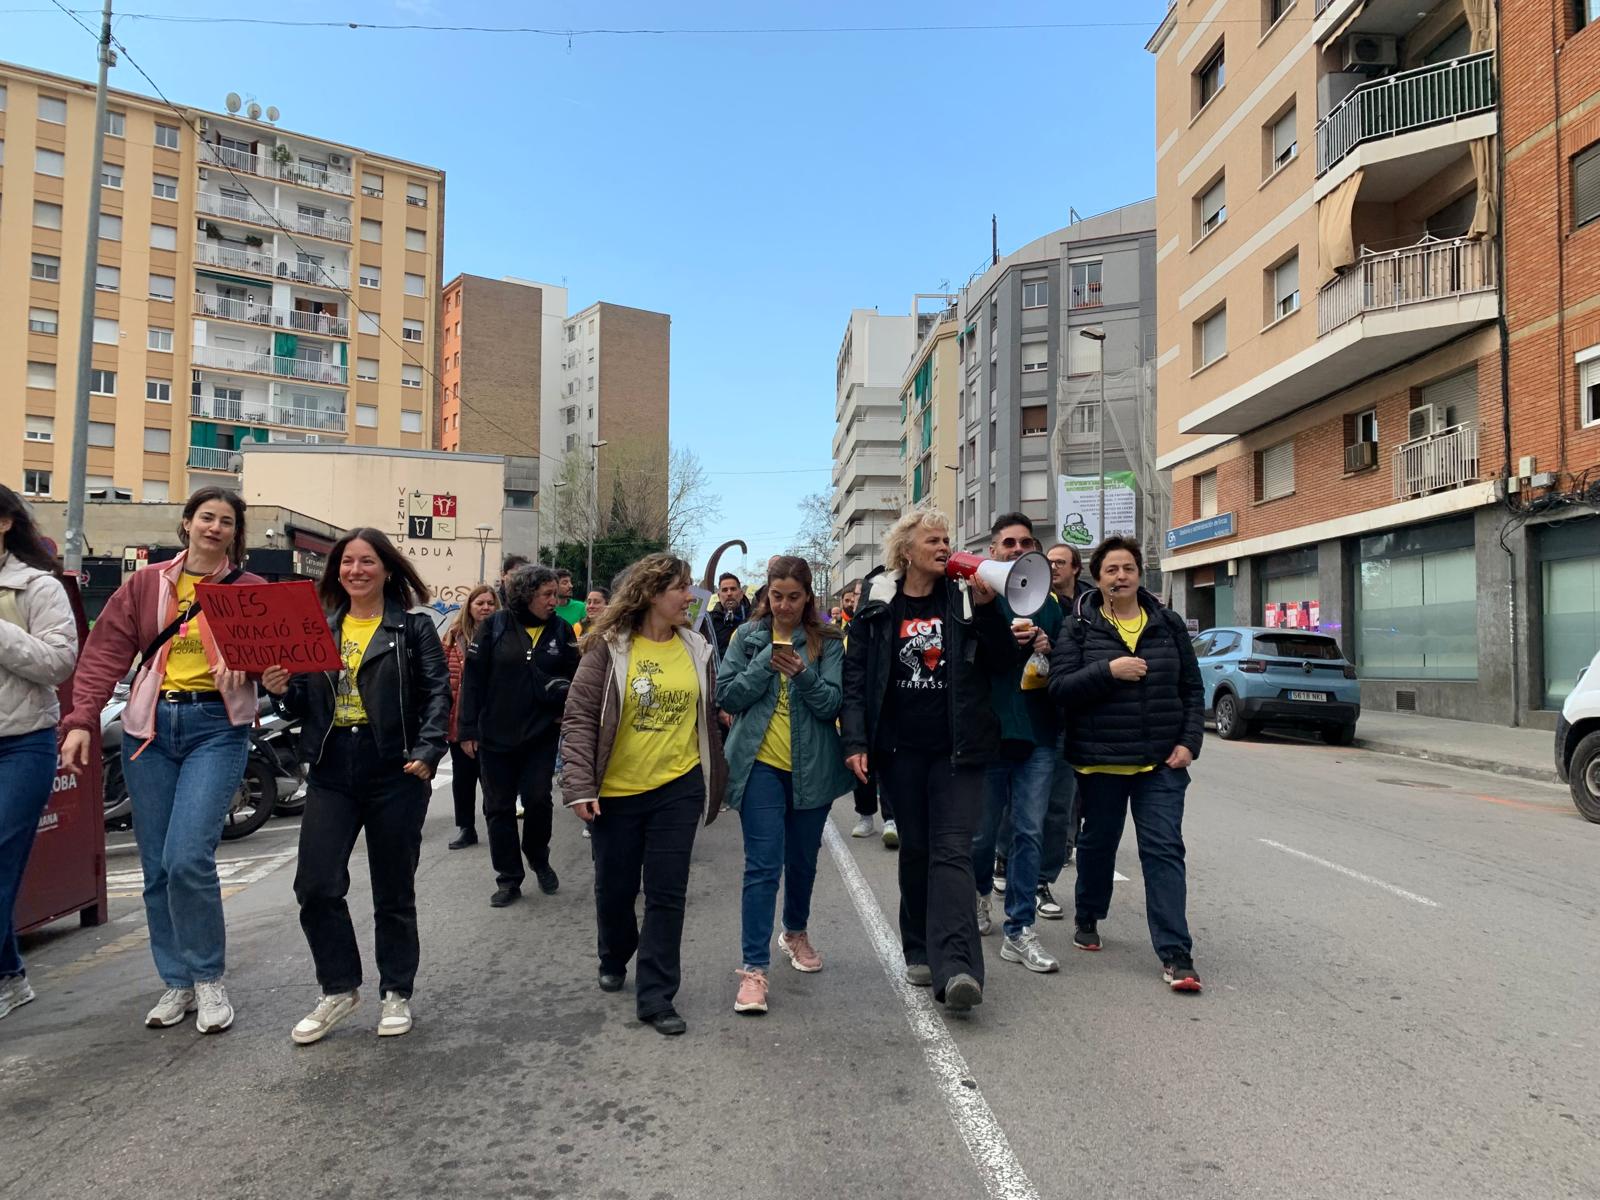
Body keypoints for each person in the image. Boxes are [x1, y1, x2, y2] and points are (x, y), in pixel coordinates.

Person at [61, 487, 262, 1034]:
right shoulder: (147, 583)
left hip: (217, 729)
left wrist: (253, 668)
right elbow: (105, 653)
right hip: (149, 729)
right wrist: (81, 719)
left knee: (186, 857)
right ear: (187, 523)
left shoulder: (251, 589)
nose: (214, 527)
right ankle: (176, 983)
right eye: (206, 518)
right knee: (155, 867)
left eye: (225, 521)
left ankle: (208, 978)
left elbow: (279, 658)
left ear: (234, 532)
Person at [263, 528, 451, 1043]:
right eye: (347, 562)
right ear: (335, 571)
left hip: (396, 769)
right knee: (316, 885)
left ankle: (396, 990)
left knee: (393, 889)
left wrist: (428, 750)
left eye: (368, 561)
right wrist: (278, 690)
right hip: (331, 767)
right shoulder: (316, 628)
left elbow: (437, 693)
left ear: (387, 570)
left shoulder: (413, 630)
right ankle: (339, 988)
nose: (356, 571)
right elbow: (300, 704)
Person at [840, 510, 1013, 1014]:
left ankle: (958, 966)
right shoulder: (878, 601)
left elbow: (1004, 664)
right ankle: (917, 944)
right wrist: (855, 741)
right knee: (916, 849)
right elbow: (857, 676)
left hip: (958, 750)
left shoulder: (964, 596)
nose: (943, 546)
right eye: (932, 540)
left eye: (947, 539)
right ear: (906, 551)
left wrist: (986, 611)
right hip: (899, 751)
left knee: (952, 852)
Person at [561, 553, 727, 1037]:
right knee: (615, 890)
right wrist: (578, 786)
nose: (689, 596)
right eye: (681, 587)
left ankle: (656, 996)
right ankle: (614, 951)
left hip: (678, 787)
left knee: (667, 893)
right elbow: (579, 719)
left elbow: (707, 713)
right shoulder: (607, 648)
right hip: (616, 791)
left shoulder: (697, 647)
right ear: (652, 593)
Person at [1048, 536, 1204, 994]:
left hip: (1161, 762)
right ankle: (1089, 913)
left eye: (1128, 569)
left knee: (1163, 850)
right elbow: (1059, 688)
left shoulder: (1168, 624)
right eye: (1111, 570)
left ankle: (1177, 955)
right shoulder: (1079, 626)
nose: (1121, 576)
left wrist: (1189, 742)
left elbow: (1192, 689)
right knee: (1097, 844)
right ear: (1097, 578)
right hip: (1100, 763)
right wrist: (1108, 671)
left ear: (1139, 575)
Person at [717, 556, 852, 1016]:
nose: (785, 605)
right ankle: (754, 969)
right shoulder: (746, 637)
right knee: (762, 865)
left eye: (794, 596)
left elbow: (832, 702)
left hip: (812, 765)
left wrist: (801, 672)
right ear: (766, 595)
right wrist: (764, 666)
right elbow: (727, 696)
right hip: (759, 767)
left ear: (808, 597)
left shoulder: (827, 641)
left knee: (803, 861)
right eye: (777, 596)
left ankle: (795, 931)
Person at [969, 514, 1061, 975]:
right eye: (1008, 542)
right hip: (990, 734)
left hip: (1038, 734)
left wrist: (1049, 646)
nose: (1017, 547)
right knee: (983, 834)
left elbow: (1067, 665)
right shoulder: (975, 598)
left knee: (1029, 832)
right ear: (993, 551)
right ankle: (980, 893)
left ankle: (1019, 929)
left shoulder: (1050, 603)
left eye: (1026, 541)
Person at [458, 565, 579, 907]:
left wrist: (565, 713)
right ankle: (508, 878)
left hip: (540, 735)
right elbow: (474, 680)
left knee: (539, 800)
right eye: (547, 595)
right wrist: (467, 729)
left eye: (556, 594)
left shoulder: (562, 630)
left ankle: (538, 856)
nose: (554, 601)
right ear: (526, 596)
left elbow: (577, 676)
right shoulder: (493, 626)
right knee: (497, 808)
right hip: (494, 736)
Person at [0, 487, 78, 1021]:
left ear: (5, 523)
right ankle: (9, 974)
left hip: (21, 743)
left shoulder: (36, 587)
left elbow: (58, 663)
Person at [441, 585, 499, 849]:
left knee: (491, 778)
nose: (485, 608)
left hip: (491, 718)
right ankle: (466, 828)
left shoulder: (503, 635)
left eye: (490, 603)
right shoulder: (453, 637)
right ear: (470, 607)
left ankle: (495, 824)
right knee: (463, 778)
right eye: (480, 603)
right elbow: (440, 676)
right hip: (459, 718)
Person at [845, 574, 896, 847]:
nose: (856, 596)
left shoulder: (885, 616)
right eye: (854, 592)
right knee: (863, 765)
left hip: (886, 705)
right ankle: (865, 815)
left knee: (886, 762)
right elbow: (852, 669)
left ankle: (891, 818)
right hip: (861, 703)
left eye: (859, 591)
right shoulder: (854, 625)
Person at [708, 572, 750, 659]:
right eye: (724, 590)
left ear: (741, 594)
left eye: (733, 589)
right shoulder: (709, 622)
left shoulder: (753, 618)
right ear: (719, 596)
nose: (729, 593)